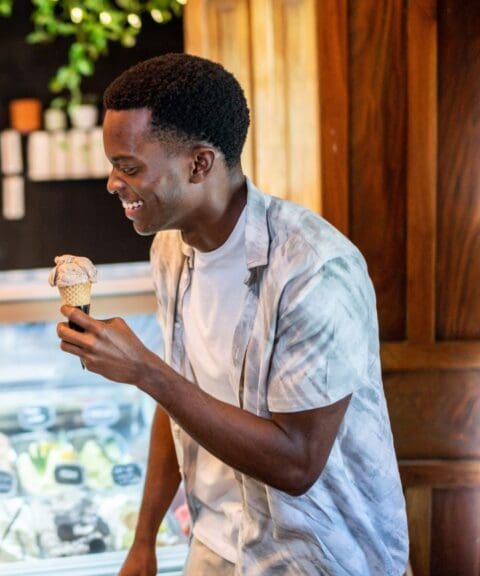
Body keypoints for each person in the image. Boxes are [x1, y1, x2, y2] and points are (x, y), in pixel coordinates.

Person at [57, 53, 408, 575]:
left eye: (129, 167)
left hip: (325, 560)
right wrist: (144, 540)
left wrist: (146, 370)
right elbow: (177, 399)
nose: (112, 183)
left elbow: (297, 463)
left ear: (200, 163)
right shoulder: (171, 252)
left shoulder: (313, 267)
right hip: (217, 550)